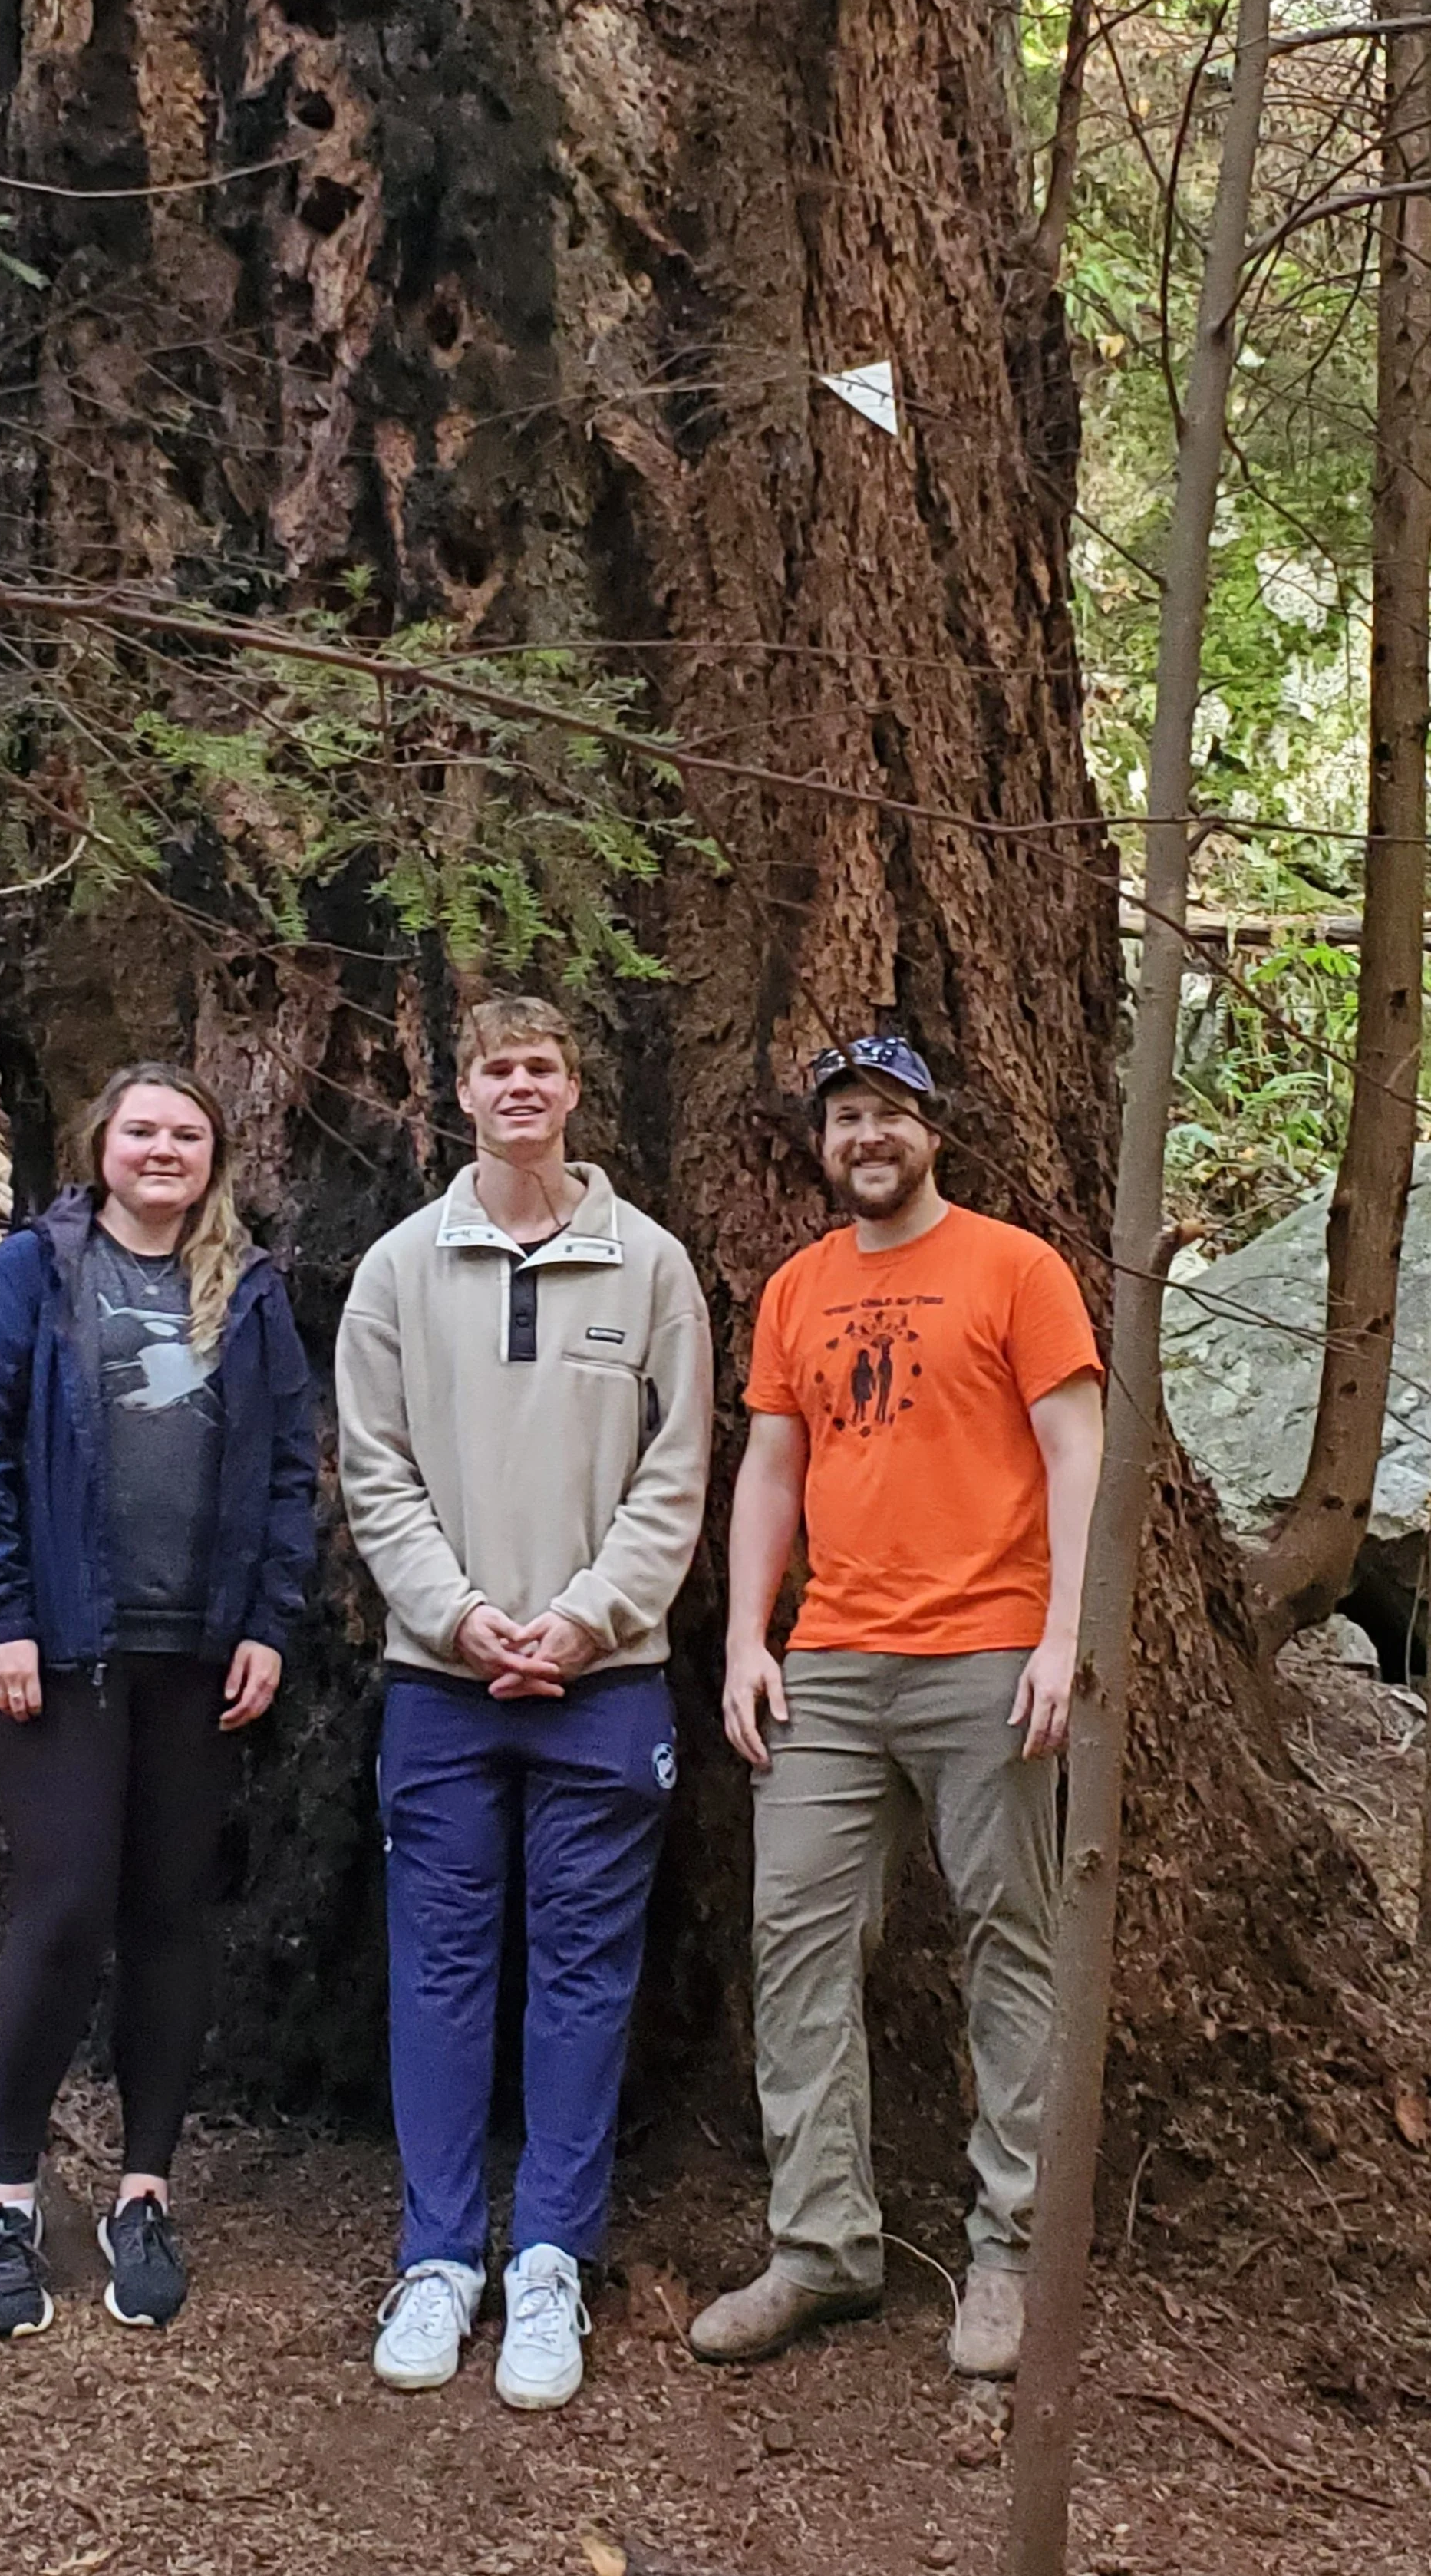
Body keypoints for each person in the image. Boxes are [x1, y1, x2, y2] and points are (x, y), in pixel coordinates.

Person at [689, 1034, 1103, 2386]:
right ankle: (820, 2247)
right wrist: (751, 1636)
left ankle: (1010, 2251)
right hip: (834, 1661)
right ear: (823, 1143)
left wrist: (1063, 1637)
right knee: (794, 1939)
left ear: (935, 1132)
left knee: (1011, 1940)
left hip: (989, 1654)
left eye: (891, 1115)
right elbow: (770, 1465)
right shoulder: (799, 1289)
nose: (867, 1136)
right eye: (844, 1118)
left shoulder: (1015, 1267)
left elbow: (1078, 1451)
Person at [336, 991, 712, 2413]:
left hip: (603, 1685)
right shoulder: (397, 1269)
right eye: (497, 1067)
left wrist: (583, 1617)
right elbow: (374, 1469)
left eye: (544, 1067)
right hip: (442, 1684)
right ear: (463, 1088)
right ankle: (439, 2258)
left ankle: (550, 2253)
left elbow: (678, 1473)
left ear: (574, 1089)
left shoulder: (653, 1270)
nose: (520, 1089)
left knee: (581, 1976)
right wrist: (463, 1616)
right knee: (437, 1972)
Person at [0, 1061, 318, 2340]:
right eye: (142, 1130)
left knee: (168, 1913)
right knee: (67, 1900)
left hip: (198, 1653)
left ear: (215, 1156)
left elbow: (289, 1472)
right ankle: (6, 2199)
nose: (163, 1150)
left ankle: (144, 2190)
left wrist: (268, 1622)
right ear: (101, 1146)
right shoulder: (32, 1274)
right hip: (62, 1646)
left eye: (187, 1134)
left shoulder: (248, 1293)